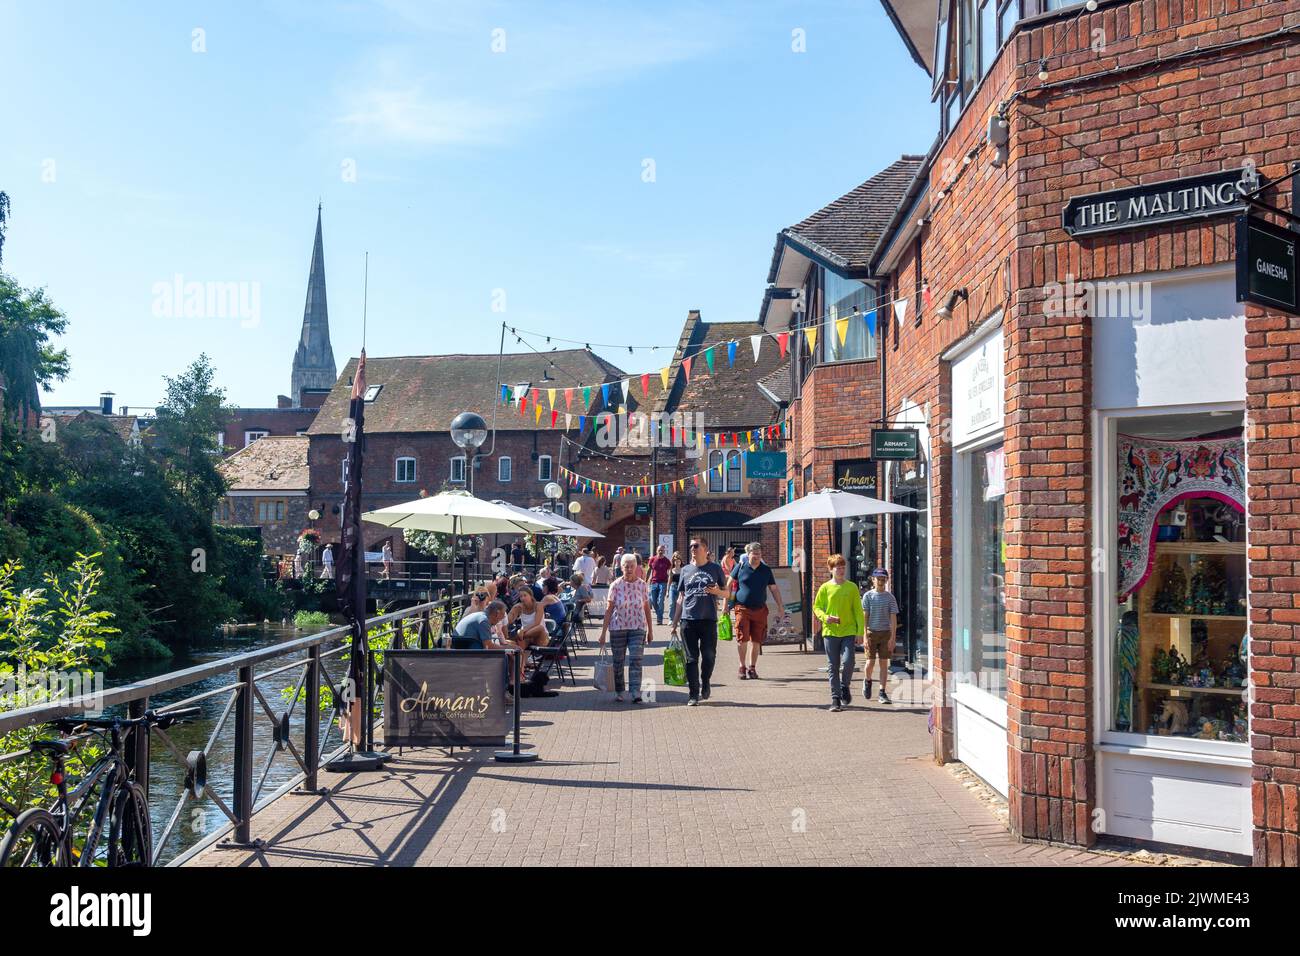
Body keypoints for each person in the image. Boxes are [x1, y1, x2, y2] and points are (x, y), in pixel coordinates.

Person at [670, 539, 728, 706]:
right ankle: (693, 694)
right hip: (688, 620)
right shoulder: (686, 570)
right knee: (691, 659)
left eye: (696, 546)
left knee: (709, 656)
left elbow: (727, 593)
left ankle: (706, 680)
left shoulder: (715, 569)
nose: (692, 549)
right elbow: (681, 597)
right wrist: (674, 622)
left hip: (708, 619)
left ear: (705, 549)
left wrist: (716, 591)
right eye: (690, 546)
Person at [599, 552, 654, 703]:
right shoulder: (615, 585)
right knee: (618, 661)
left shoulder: (642, 585)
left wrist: (650, 630)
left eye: (632, 566)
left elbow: (647, 608)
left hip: (638, 627)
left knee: (636, 659)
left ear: (636, 567)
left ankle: (636, 691)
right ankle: (619, 691)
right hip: (618, 627)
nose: (629, 569)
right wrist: (603, 633)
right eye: (626, 566)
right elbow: (609, 610)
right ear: (621, 567)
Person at [813, 554, 865, 712]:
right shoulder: (825, 588)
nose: (841, 571)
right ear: (831, 569)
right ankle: (835, 698)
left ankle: (845, 686)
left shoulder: (852, 587)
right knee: (832, 666)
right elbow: (817, 607)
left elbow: (858, 610)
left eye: (843, 568)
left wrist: (860, 632)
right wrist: (825, 617)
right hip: (830, 632)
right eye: (838, 568)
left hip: (848, 630)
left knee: (849, 661)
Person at [729, 541, 783, 681]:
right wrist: (725, 603)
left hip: (760, 609)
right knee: (742, 639)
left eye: (759, 554)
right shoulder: (740, 567)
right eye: (754, 554)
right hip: (742, 608)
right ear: (748, 554)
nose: (757, 556)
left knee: (756, 640)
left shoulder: (766, 570)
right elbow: (728, 584)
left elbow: (774, 589)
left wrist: (780, 606)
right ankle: (742, 666)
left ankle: (752, 668)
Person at [861, 568, 900, 704]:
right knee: (870, 662)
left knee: (884, 663)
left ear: (886, 580)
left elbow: (893, 618)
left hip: (885, 633)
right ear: (873, 579)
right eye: (878, 578)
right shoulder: (868, 596)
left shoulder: (890, 598)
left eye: (883, 579)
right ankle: (867, 680)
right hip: (871, 632)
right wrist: (865, 636)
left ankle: (882, 692)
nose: (881, 581)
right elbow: (865, 617)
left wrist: (892, 638)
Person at [508, 586, 551, 652]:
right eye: (521, 596)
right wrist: (514, 609)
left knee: (540, 627)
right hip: (527, 637)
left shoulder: (538, 605)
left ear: (531, 596)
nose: (523, 598)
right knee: (519, 644)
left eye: (525, 595)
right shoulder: (520, 607)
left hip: (540, 636)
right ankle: (522, 661)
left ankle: (517, 637)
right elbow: (509, 620)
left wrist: (521, 631)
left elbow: (537, 623)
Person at [647, 545, 671, 625]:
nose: (660, 551)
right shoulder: (652, 559)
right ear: (656, 551)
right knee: (653, 601)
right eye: (659, 550)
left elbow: (670, 573)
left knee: (660, 601)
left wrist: (670, 583)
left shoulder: (667, 561)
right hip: (654, 582)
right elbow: (649, 570)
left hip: (663, 583)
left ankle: (659, 619)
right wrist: (645, 580)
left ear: (664, 551)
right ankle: (659, 614)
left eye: (662, 550)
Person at [667, 552, 683, 621]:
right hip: (673, 587)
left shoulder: (683, 570)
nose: (677, 562)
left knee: (679, 604)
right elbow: (669, 581)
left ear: (680, 562)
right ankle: (671, 619)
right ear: (673, 562)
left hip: (680, 589)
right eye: (675, 561)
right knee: (671, 604)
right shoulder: (671, 570)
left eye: (678, 561)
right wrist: (667, 591)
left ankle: (679, 619)